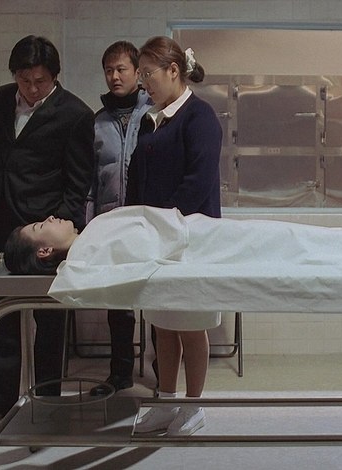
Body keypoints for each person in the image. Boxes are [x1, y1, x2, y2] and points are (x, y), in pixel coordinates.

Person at [0, 35, 95, 425]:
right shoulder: (2, 98)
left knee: (50, 321)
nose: (32, 88)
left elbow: (78, 183)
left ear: (54, 76)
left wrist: (62, 237)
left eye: (40, 80)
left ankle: (47, 405)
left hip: (44, 231)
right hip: (0, 223)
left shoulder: (75, 113)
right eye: (24, 80)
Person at [125, 36, 222, 436]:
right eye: (141, 75)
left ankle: (194, 406)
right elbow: (137, 177)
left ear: (173, 71)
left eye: (148, 74)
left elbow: (198, 181)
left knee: (190, 323)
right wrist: (134, 221)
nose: (143, 83)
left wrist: (162, 224)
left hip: (190, 238)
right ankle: (166, 401)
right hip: (155, 238)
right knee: (163, 322)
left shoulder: (200, 116)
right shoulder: (153, 118)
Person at [85, 41, 152, 397]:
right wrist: (89, 225)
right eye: (109, 70)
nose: (114, 76)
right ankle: (120, 374)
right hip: (111, 223)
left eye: (121, 69)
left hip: (149, 222)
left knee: (157, 298)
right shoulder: (97, 122)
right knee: (118, 305)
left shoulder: (154, 113)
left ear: (138, 72)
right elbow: (90, 181)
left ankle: (163, 373)